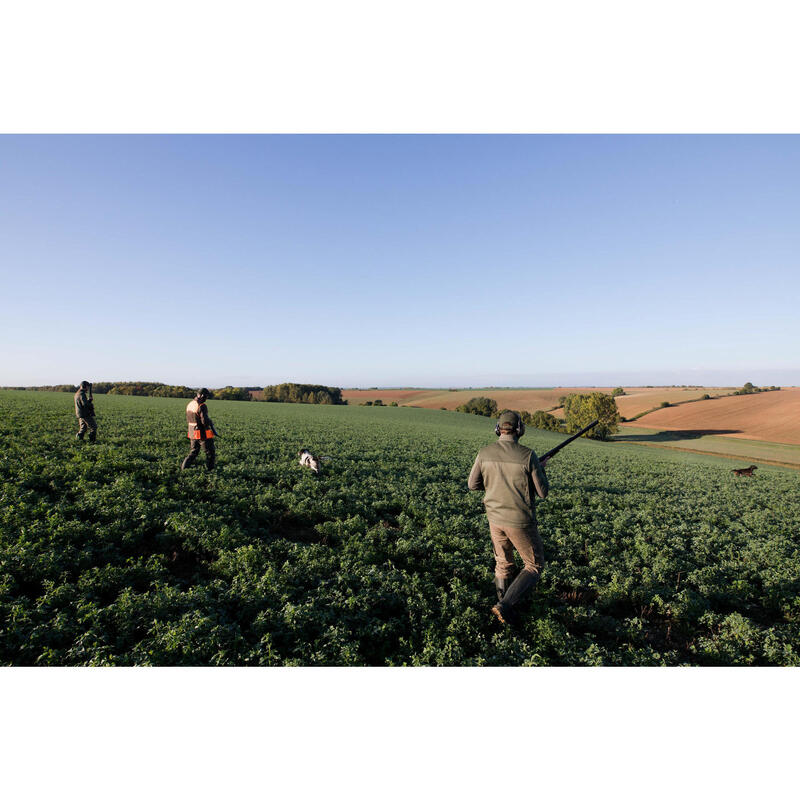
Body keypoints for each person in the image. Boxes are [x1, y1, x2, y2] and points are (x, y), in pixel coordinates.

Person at [468, 410, 549, 625]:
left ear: (498, 429)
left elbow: (472, 485)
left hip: (494, 519)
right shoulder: (527, 455)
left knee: (503, 564)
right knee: (534, 565)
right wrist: (540, 470)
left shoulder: (484, 453)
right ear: (520, 429)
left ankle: (501, 612)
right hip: (520, 521)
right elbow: (542, 492)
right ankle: (505, 606)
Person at [181, 388, 218, 470]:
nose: (206, 399)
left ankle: (184, 468)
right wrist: (209, 422)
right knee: (210, 452)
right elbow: (204, 421)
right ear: (201, 395)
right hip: (202, 433)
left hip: (192, 432)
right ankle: (210, 470)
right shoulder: (202, 405)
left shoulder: (190, 404)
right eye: (206, 397)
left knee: (193, 452)